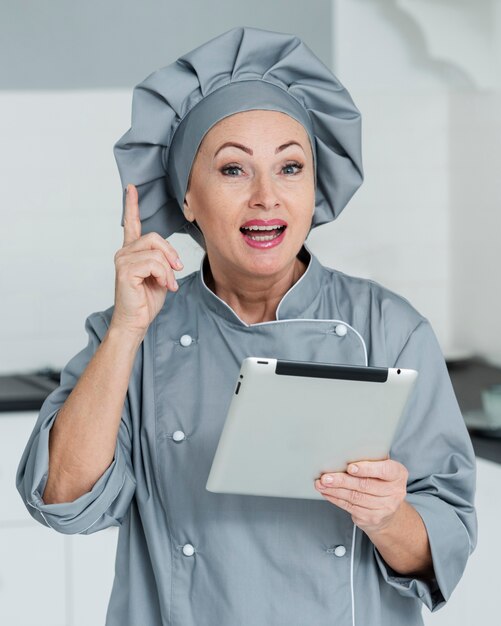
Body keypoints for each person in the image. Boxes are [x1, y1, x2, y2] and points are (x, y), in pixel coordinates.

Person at [17, 26, 476, 626]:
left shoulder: (389, 328)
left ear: (315, 187)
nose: (267, 197)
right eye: (234, 170)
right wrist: (127, 330)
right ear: (186, 197)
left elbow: (445, 543)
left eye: (290, 167)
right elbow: (64, 499)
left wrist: (387, 516)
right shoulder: (133, 332)